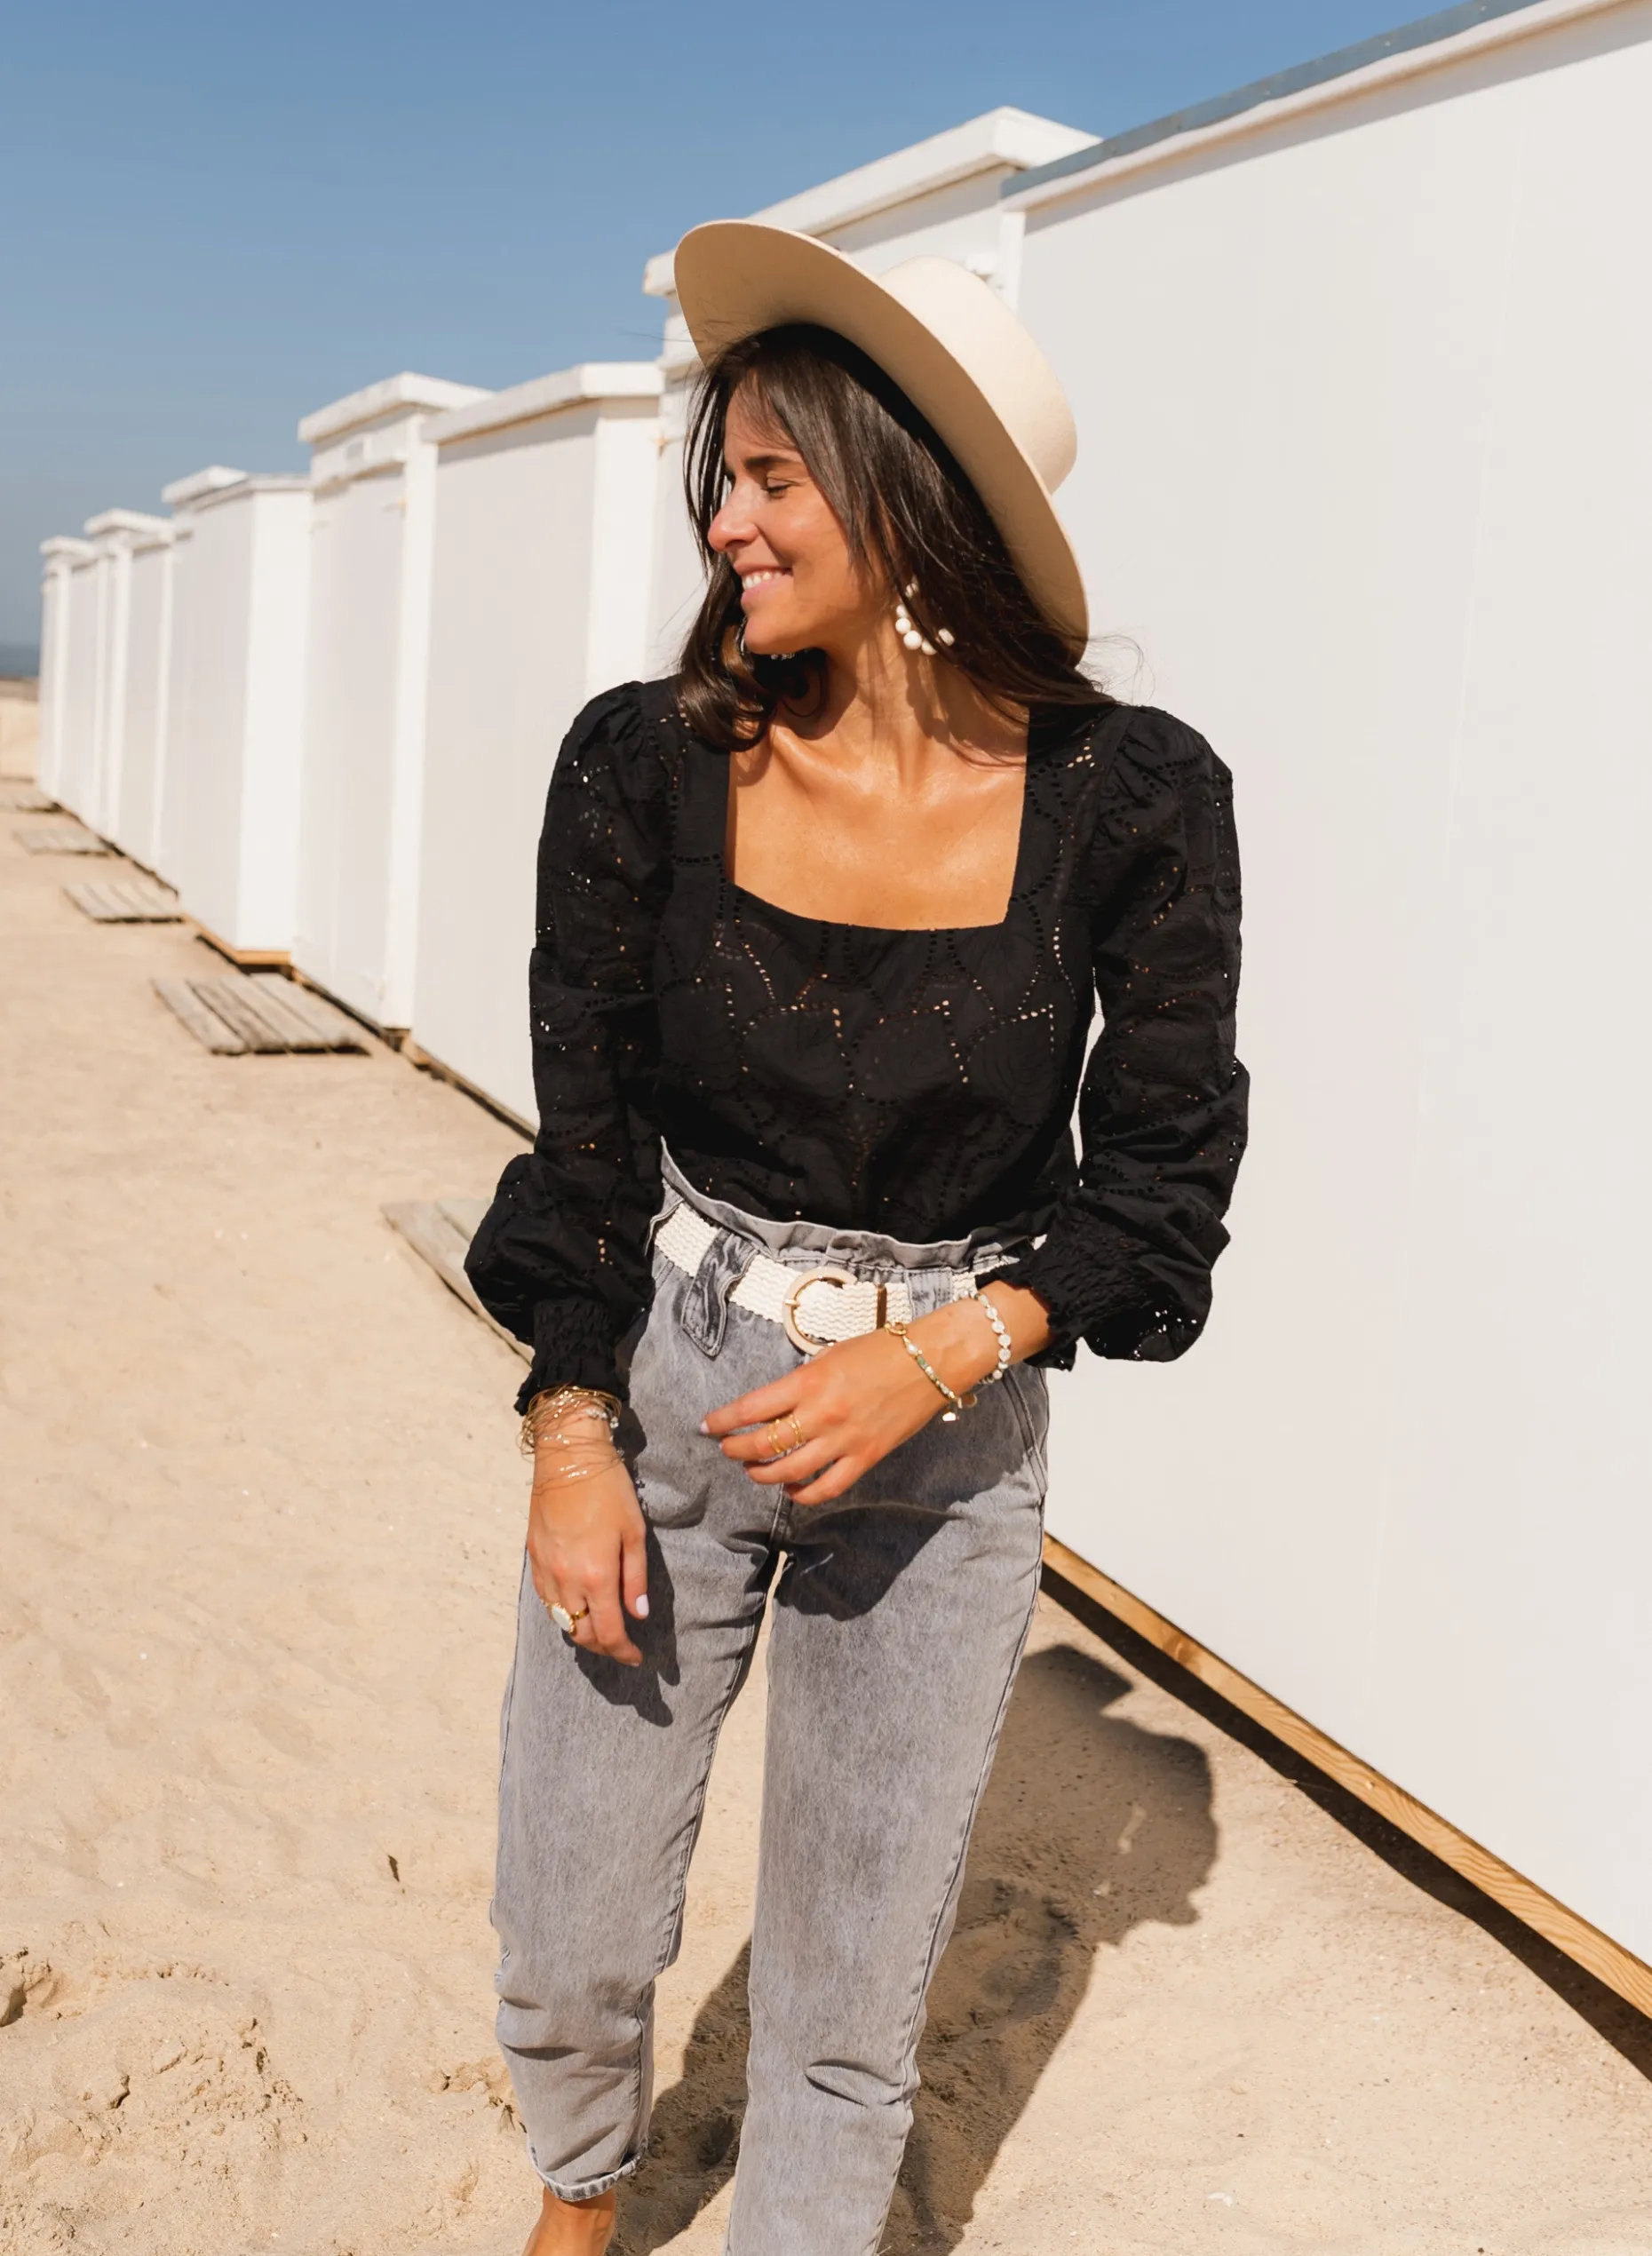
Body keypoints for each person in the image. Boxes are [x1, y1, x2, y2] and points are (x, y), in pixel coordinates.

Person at [466, 219, 1248, 2256]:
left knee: (845, 1995)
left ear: (907, 494)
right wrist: (570, 1425)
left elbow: (1160, 1187)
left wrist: (944, 1348)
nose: (722, 520)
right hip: (675, 1379)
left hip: (950, 1434)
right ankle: (581, 2196)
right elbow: (584, 1147)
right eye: (718, 474)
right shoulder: (641, 764)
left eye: (770, 476)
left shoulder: (1135, 799)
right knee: (571, 1919)